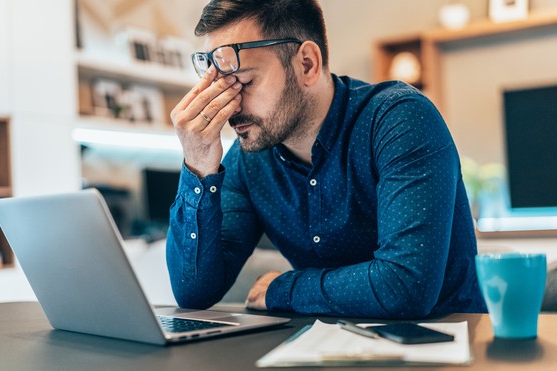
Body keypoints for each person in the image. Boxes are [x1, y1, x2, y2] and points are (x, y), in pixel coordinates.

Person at [167, 0, 486, 318]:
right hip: (323, 350)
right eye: (221, 87)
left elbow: (404, 287)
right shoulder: (250, 160)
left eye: (246, 82)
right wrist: (198, 164)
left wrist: (286, 288)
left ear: (307, 63)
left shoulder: (399, 120)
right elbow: (194, 293)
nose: (231, 107)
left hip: (442, 349)